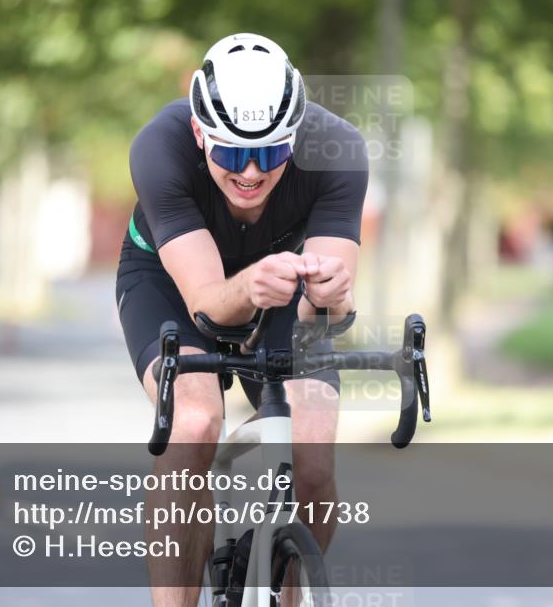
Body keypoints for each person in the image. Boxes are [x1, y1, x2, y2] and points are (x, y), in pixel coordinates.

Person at [116, 32, 368, 605]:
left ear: (296, 137)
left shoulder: (339, 149)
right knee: (197, 422)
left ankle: (286, 594)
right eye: (231, 154)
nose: (251, 172)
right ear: (201, 133)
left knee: (314, 450)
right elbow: (207, 302)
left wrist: (331, 295)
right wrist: (249, 287)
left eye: (271, 152)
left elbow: (326, 314)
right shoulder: (159, 147)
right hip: (170, 280)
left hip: (284, 280)